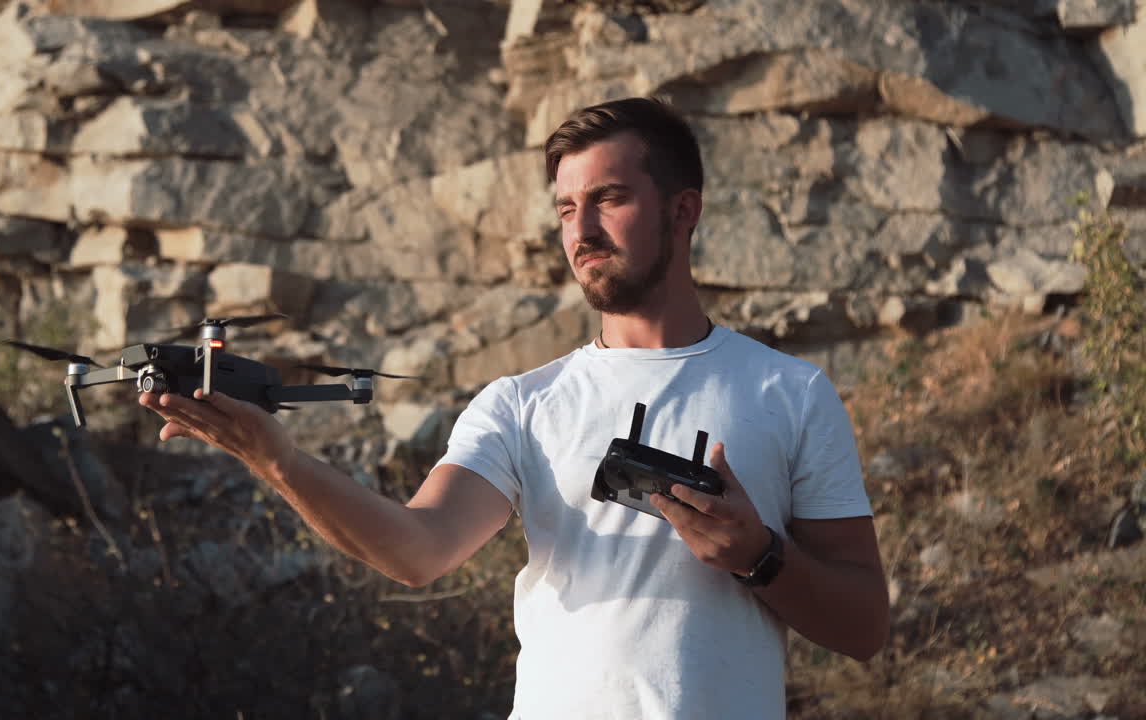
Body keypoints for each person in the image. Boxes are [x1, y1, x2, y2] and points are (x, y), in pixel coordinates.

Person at [140, 97, 889, 718]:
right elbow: (416, 550)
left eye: (610, 199)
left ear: (683, 209)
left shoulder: (788, 392)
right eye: (566, 208)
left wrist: (759, 557)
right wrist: (278, 460)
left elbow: (864, 626)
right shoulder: (523, 403)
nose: (581, 232)